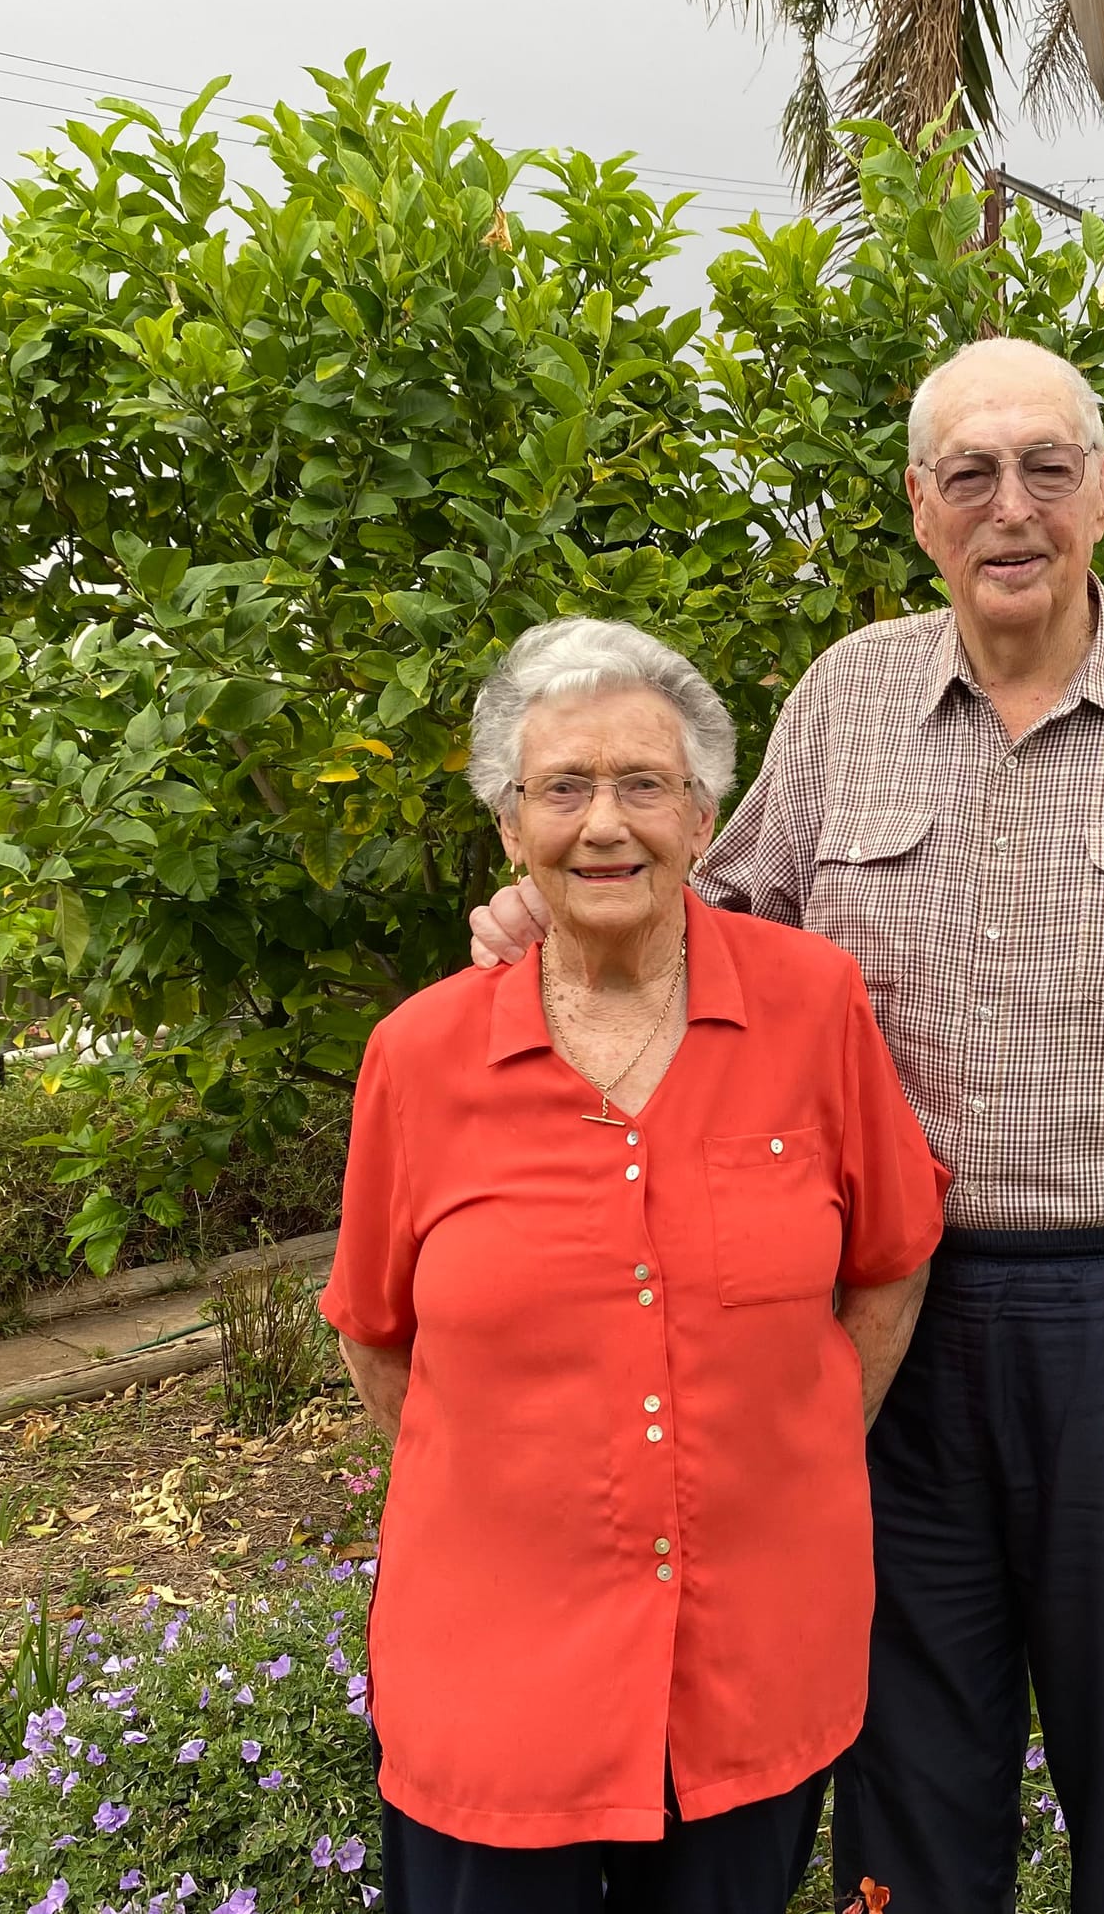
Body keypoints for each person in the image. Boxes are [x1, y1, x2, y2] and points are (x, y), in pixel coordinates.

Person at [470, 338, 1104, 1914]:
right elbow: (710, 928)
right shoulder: (850, 698)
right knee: (906, 1799)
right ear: (920, 504)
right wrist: (548, 913)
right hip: (890, 1334)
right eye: (971, 471)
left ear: (1103, 491)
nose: (1010, 505)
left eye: (1047, 465)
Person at [324, 617, 947, 1914]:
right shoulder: (419, 1055)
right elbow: (377, 1331)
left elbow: (889, 1258)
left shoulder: (813, 1005)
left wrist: (806, 1434)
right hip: (494, 1677)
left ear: (704, 817)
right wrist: (512, 1472)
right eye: (564, 787)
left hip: (750, 1658)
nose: (605, 823)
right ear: (511, 828)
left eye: (643, 784)